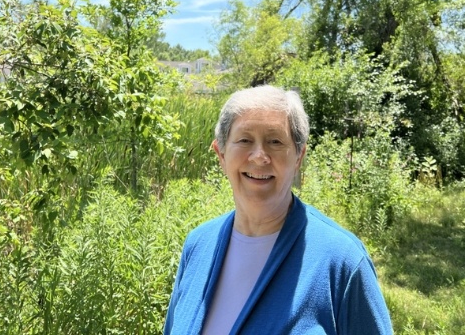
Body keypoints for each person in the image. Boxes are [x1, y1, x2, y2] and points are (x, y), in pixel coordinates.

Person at [164, 85, 393, 334]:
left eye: (275, 141)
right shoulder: (198, 244)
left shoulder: (342, 261)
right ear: (221, 154)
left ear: (298, 157)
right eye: (244, 140)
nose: (259, 156)